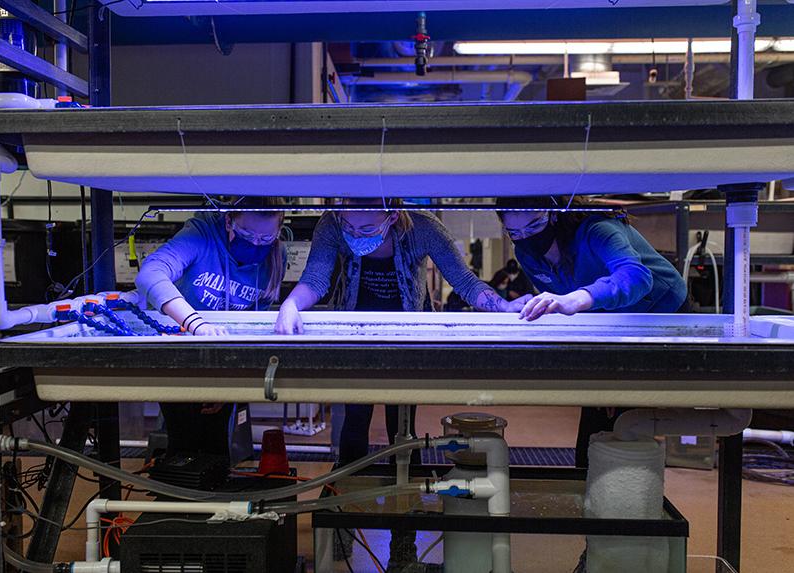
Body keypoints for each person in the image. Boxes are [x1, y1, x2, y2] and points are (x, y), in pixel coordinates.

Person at [276, 198, 523, 569]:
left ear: (392, 216)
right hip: (355, 337)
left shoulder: (422, 228)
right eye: (351, 228)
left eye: (368, 229)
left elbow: (465, 282)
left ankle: (403, 544)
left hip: (407, 340)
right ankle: (343, 530)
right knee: (353, 436)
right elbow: (316, 277)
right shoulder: (332, 224)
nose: (357, 236)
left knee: (405, 441)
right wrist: (292, 305)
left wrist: (503, 307)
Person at [496, 195, 687, 467]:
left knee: (625, 417)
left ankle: (623, 489)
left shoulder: (597, 229)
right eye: (514, 232)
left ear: (553, 214)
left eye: (534, 226)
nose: (525, 237)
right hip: (604, 325)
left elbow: (636, 277)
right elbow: (561, 295)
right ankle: (589, 478)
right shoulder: (526, 252)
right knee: (597, 414)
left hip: (659, 313)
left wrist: (576, 298)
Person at [135, 197, 286, 458]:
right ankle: (180, 490)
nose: (255, 243)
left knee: (216, 444)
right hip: (179, 353)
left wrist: (232, 381)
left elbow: (256, 318)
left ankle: (212, 489)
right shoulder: (201, 235)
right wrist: (195, 322)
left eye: (266, 238)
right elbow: (150, 274)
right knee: (183, 441)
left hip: (226, 357)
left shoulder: (275, 256)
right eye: (247, 233)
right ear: (229, 221)